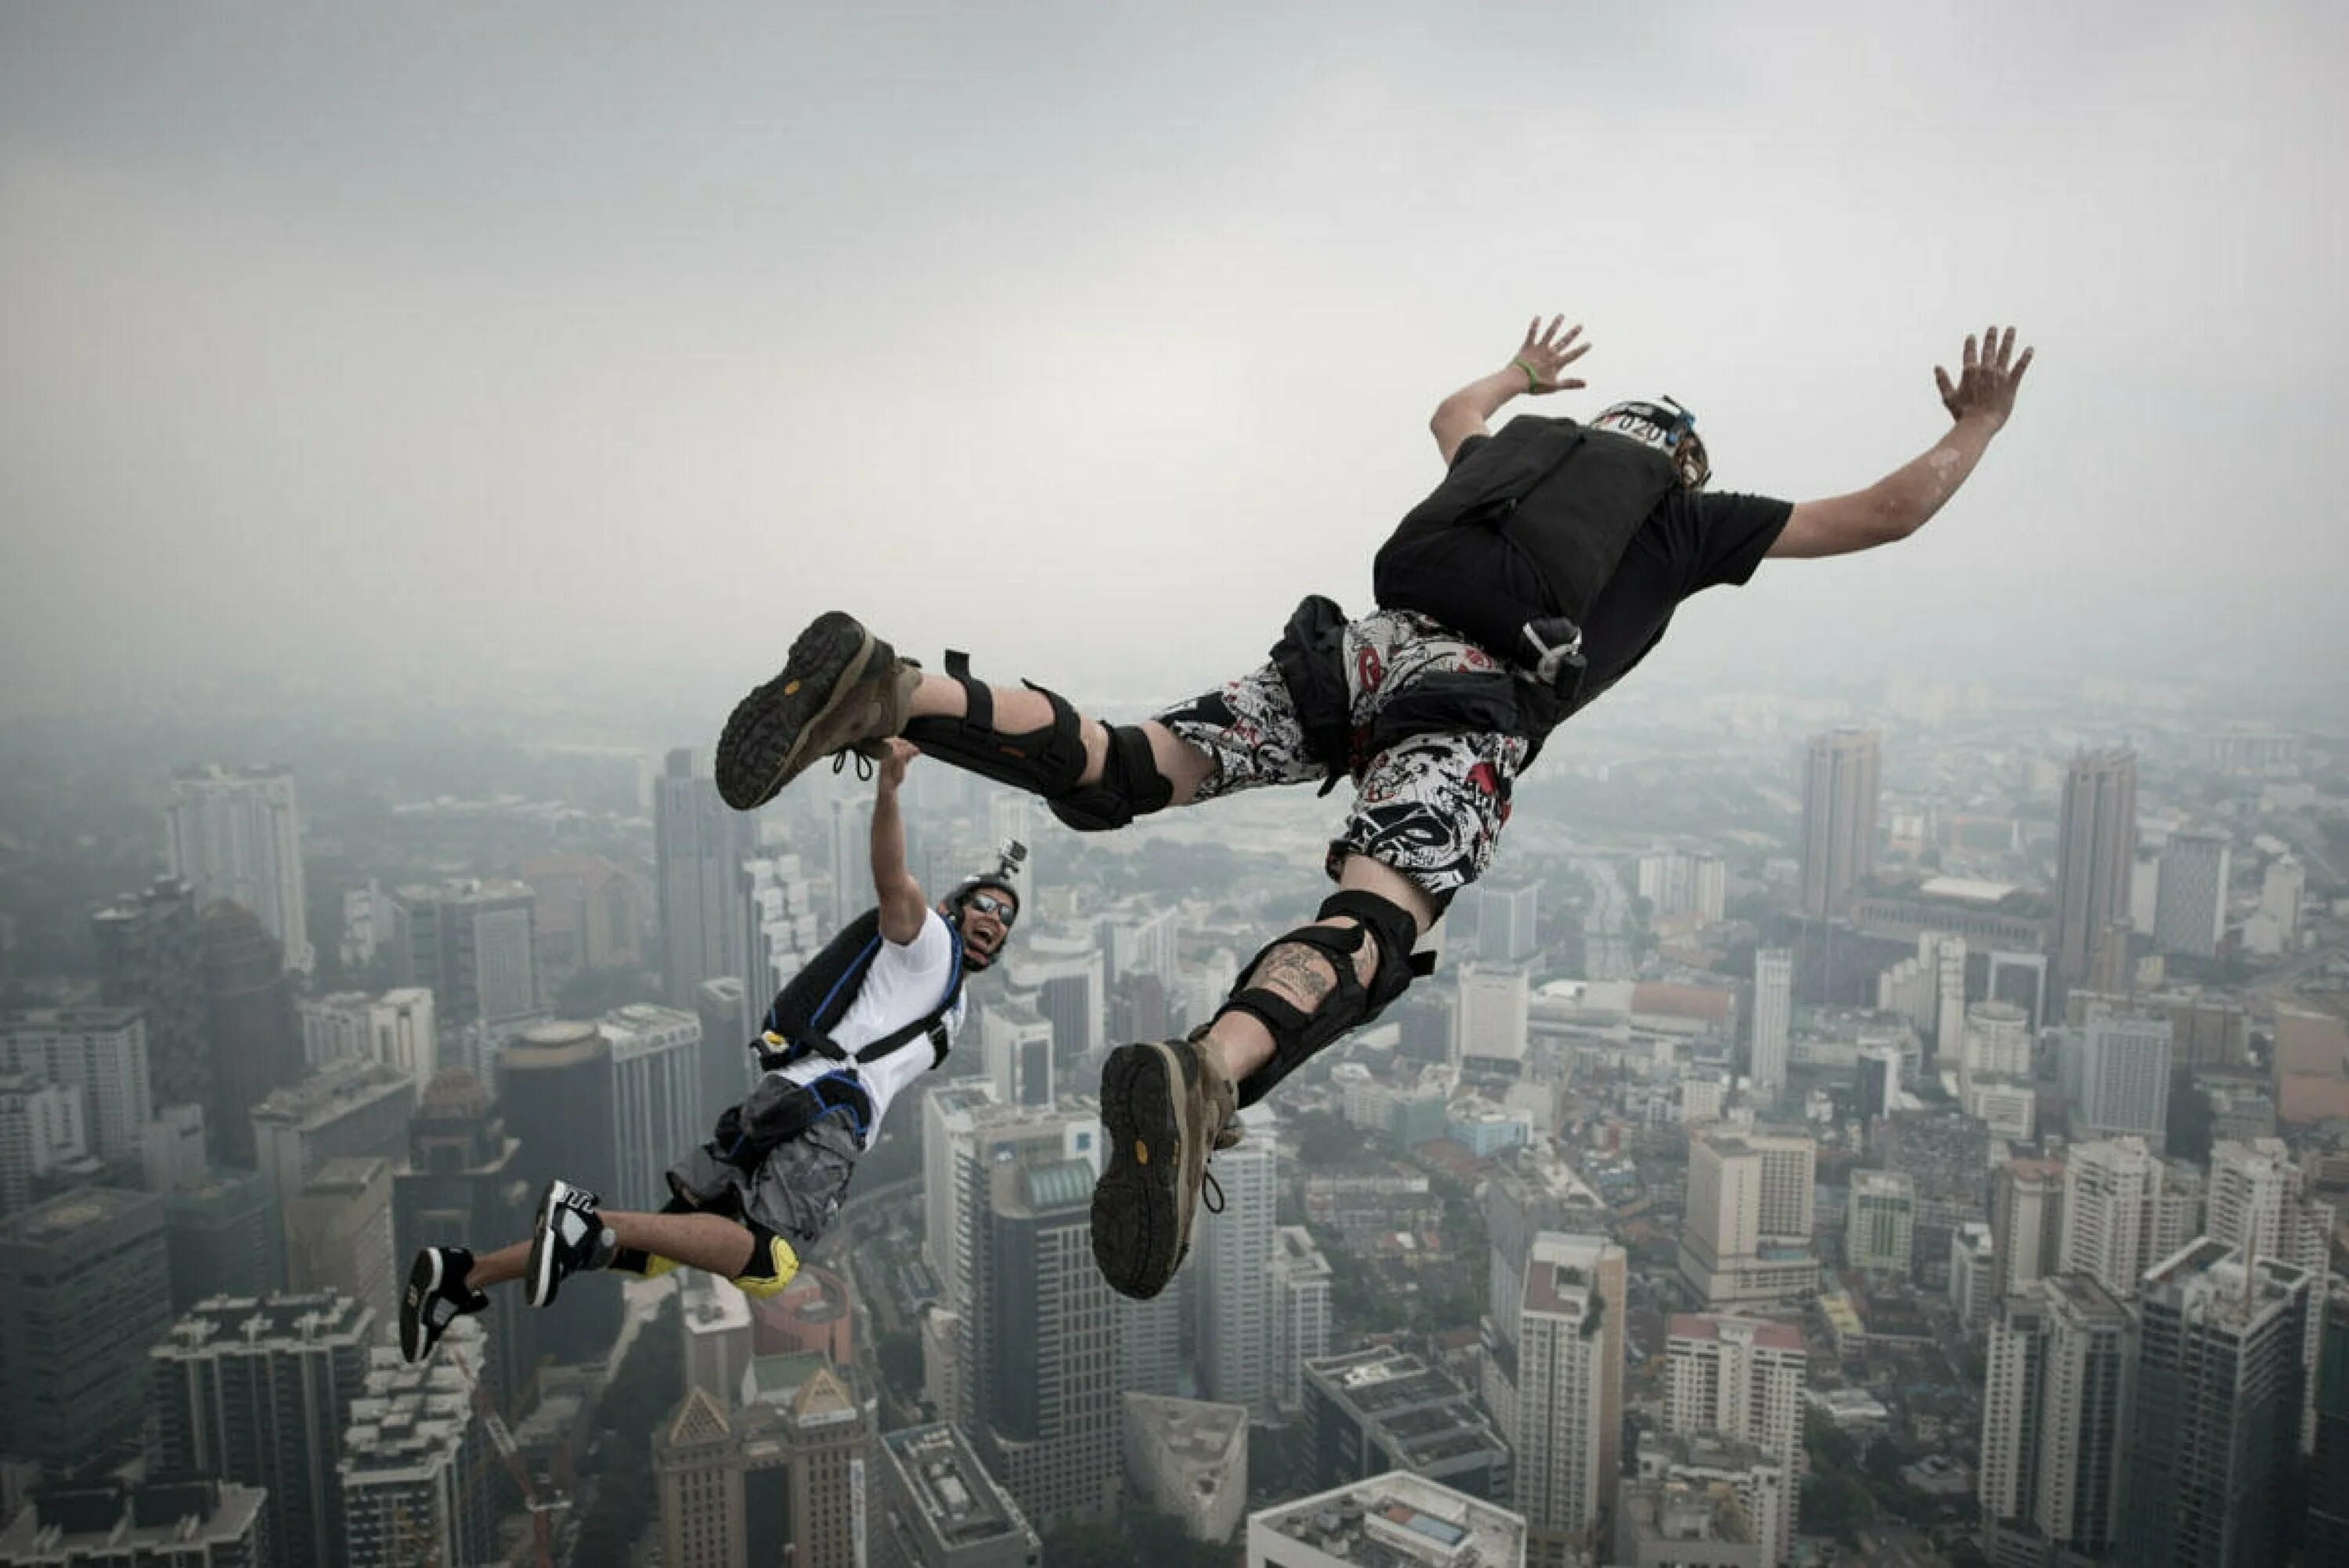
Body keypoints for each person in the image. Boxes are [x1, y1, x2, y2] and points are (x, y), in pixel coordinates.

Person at [708, 315, 2033, 1302]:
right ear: (1677, 462)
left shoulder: (1510, 448)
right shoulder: (1684, 522)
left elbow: (1446, 405)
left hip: (1352, 652)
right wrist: (1978, 422)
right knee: (1378, 917)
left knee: (1131, 761)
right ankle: (1209, 1070)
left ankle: (898, 685)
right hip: (1471, 700)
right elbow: (1892, 511)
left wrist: (1523, 372)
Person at [399, 739, 1019, 1363]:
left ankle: (465, 1274)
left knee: (647, 1253)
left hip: (789, 1101)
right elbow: (893, 879)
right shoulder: (930, 944)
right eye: (985, 903)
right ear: (953, 908)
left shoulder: (952, 998)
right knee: (770, 1263)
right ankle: (575, 1222)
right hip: (827, 1117)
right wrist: (887, 791)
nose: (996, 916)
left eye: (1006, 916)